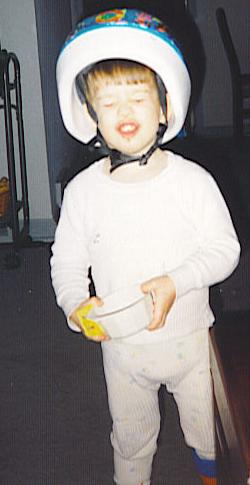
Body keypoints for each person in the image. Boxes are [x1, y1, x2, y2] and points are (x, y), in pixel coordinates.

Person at [51, 9, 240, 485]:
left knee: (208, 432)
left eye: (138, 98)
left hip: (191, 342)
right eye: (108, 103)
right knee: (131, 437)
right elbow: (67, 263)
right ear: (92, 115)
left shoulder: (192, 182)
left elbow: (225, 249)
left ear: (163, 108)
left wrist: (178, 281)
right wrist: (75, 305)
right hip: (122, 351)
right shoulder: (82, 192)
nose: (125, 113)